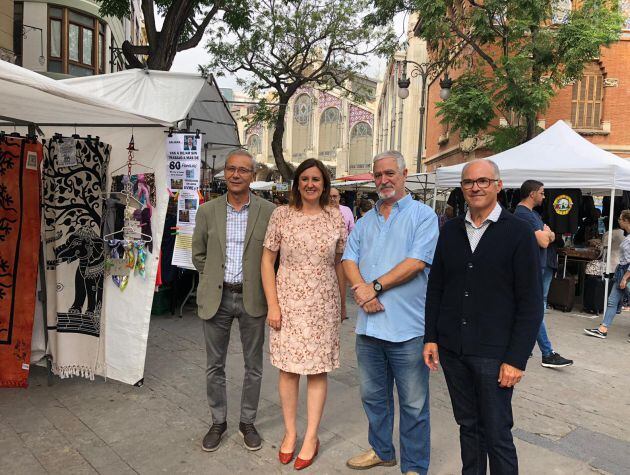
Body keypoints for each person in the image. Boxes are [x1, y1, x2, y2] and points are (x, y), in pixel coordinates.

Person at [424, 159, 543, 475]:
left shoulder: (517, 233)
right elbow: (436, 287)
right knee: (468, 427)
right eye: (468, 182)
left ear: (498, 186)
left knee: (497, 432)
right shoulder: (450, 230)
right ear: (461, 188)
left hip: (495, 354)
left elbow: (531, 303)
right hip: (454, 350)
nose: (475, 187)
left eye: (483, 181)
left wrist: (516, 359)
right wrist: (431, 337)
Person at [342, 151, 439, 475]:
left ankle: (414, 466)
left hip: (408, 329)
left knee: (414, 404)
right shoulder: (366, 220)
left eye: (389, 173)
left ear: (404, 173)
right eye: (378, 174)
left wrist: (376, 287)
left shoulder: (423, 216)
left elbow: (417, 262)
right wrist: (362, 290)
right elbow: (348, 260)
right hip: (369, 328)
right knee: (373, 397)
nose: (383, 180)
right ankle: (382, 450)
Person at [260, 158, 347, 470]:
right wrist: (273, 305)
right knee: (287, 369)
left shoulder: (335, 217)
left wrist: (342, 301)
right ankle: (290, 432)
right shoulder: (281, 215)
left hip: (323, 304)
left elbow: (339, 263)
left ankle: (311, 436)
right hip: (288, 303)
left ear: (324, 185)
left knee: (317, 370)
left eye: (317, 179)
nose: (311, 184)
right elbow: (267, 261)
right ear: (297, 183)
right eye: (305, 179)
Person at [191, 149, 275, 453]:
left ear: (252, 175)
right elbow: (198, 254)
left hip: (253, 298)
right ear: (224, 173)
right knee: (215, 365)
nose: (236, 175)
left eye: (243, 170)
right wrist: (214, 278)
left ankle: (247, 422)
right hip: (218, 297)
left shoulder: (269, 211)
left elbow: (274, 257)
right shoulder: (207, 211)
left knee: (254, 365)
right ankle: (218, 421)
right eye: (231, 169)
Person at [514, 180, 573, 368]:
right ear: (532, 194)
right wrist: (546, 233)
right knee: (536, 308)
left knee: (534, 307)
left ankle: (527, 348)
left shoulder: (532, 214)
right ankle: (547, 353)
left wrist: (547, 233)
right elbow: (545, 242)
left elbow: (552, 235)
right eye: (542, 192)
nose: (544, 196)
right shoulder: (523, 215)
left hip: (538, 266)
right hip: (533, 268)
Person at [584, 210, 630, 339]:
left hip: (626, 271)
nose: (619, 221)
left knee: (614, 300)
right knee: (612, 301)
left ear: (626, 220)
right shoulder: (626, 235)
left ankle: (603, 328)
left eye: (621, 219)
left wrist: (625, 278)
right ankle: (603, 328)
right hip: (622, 269)